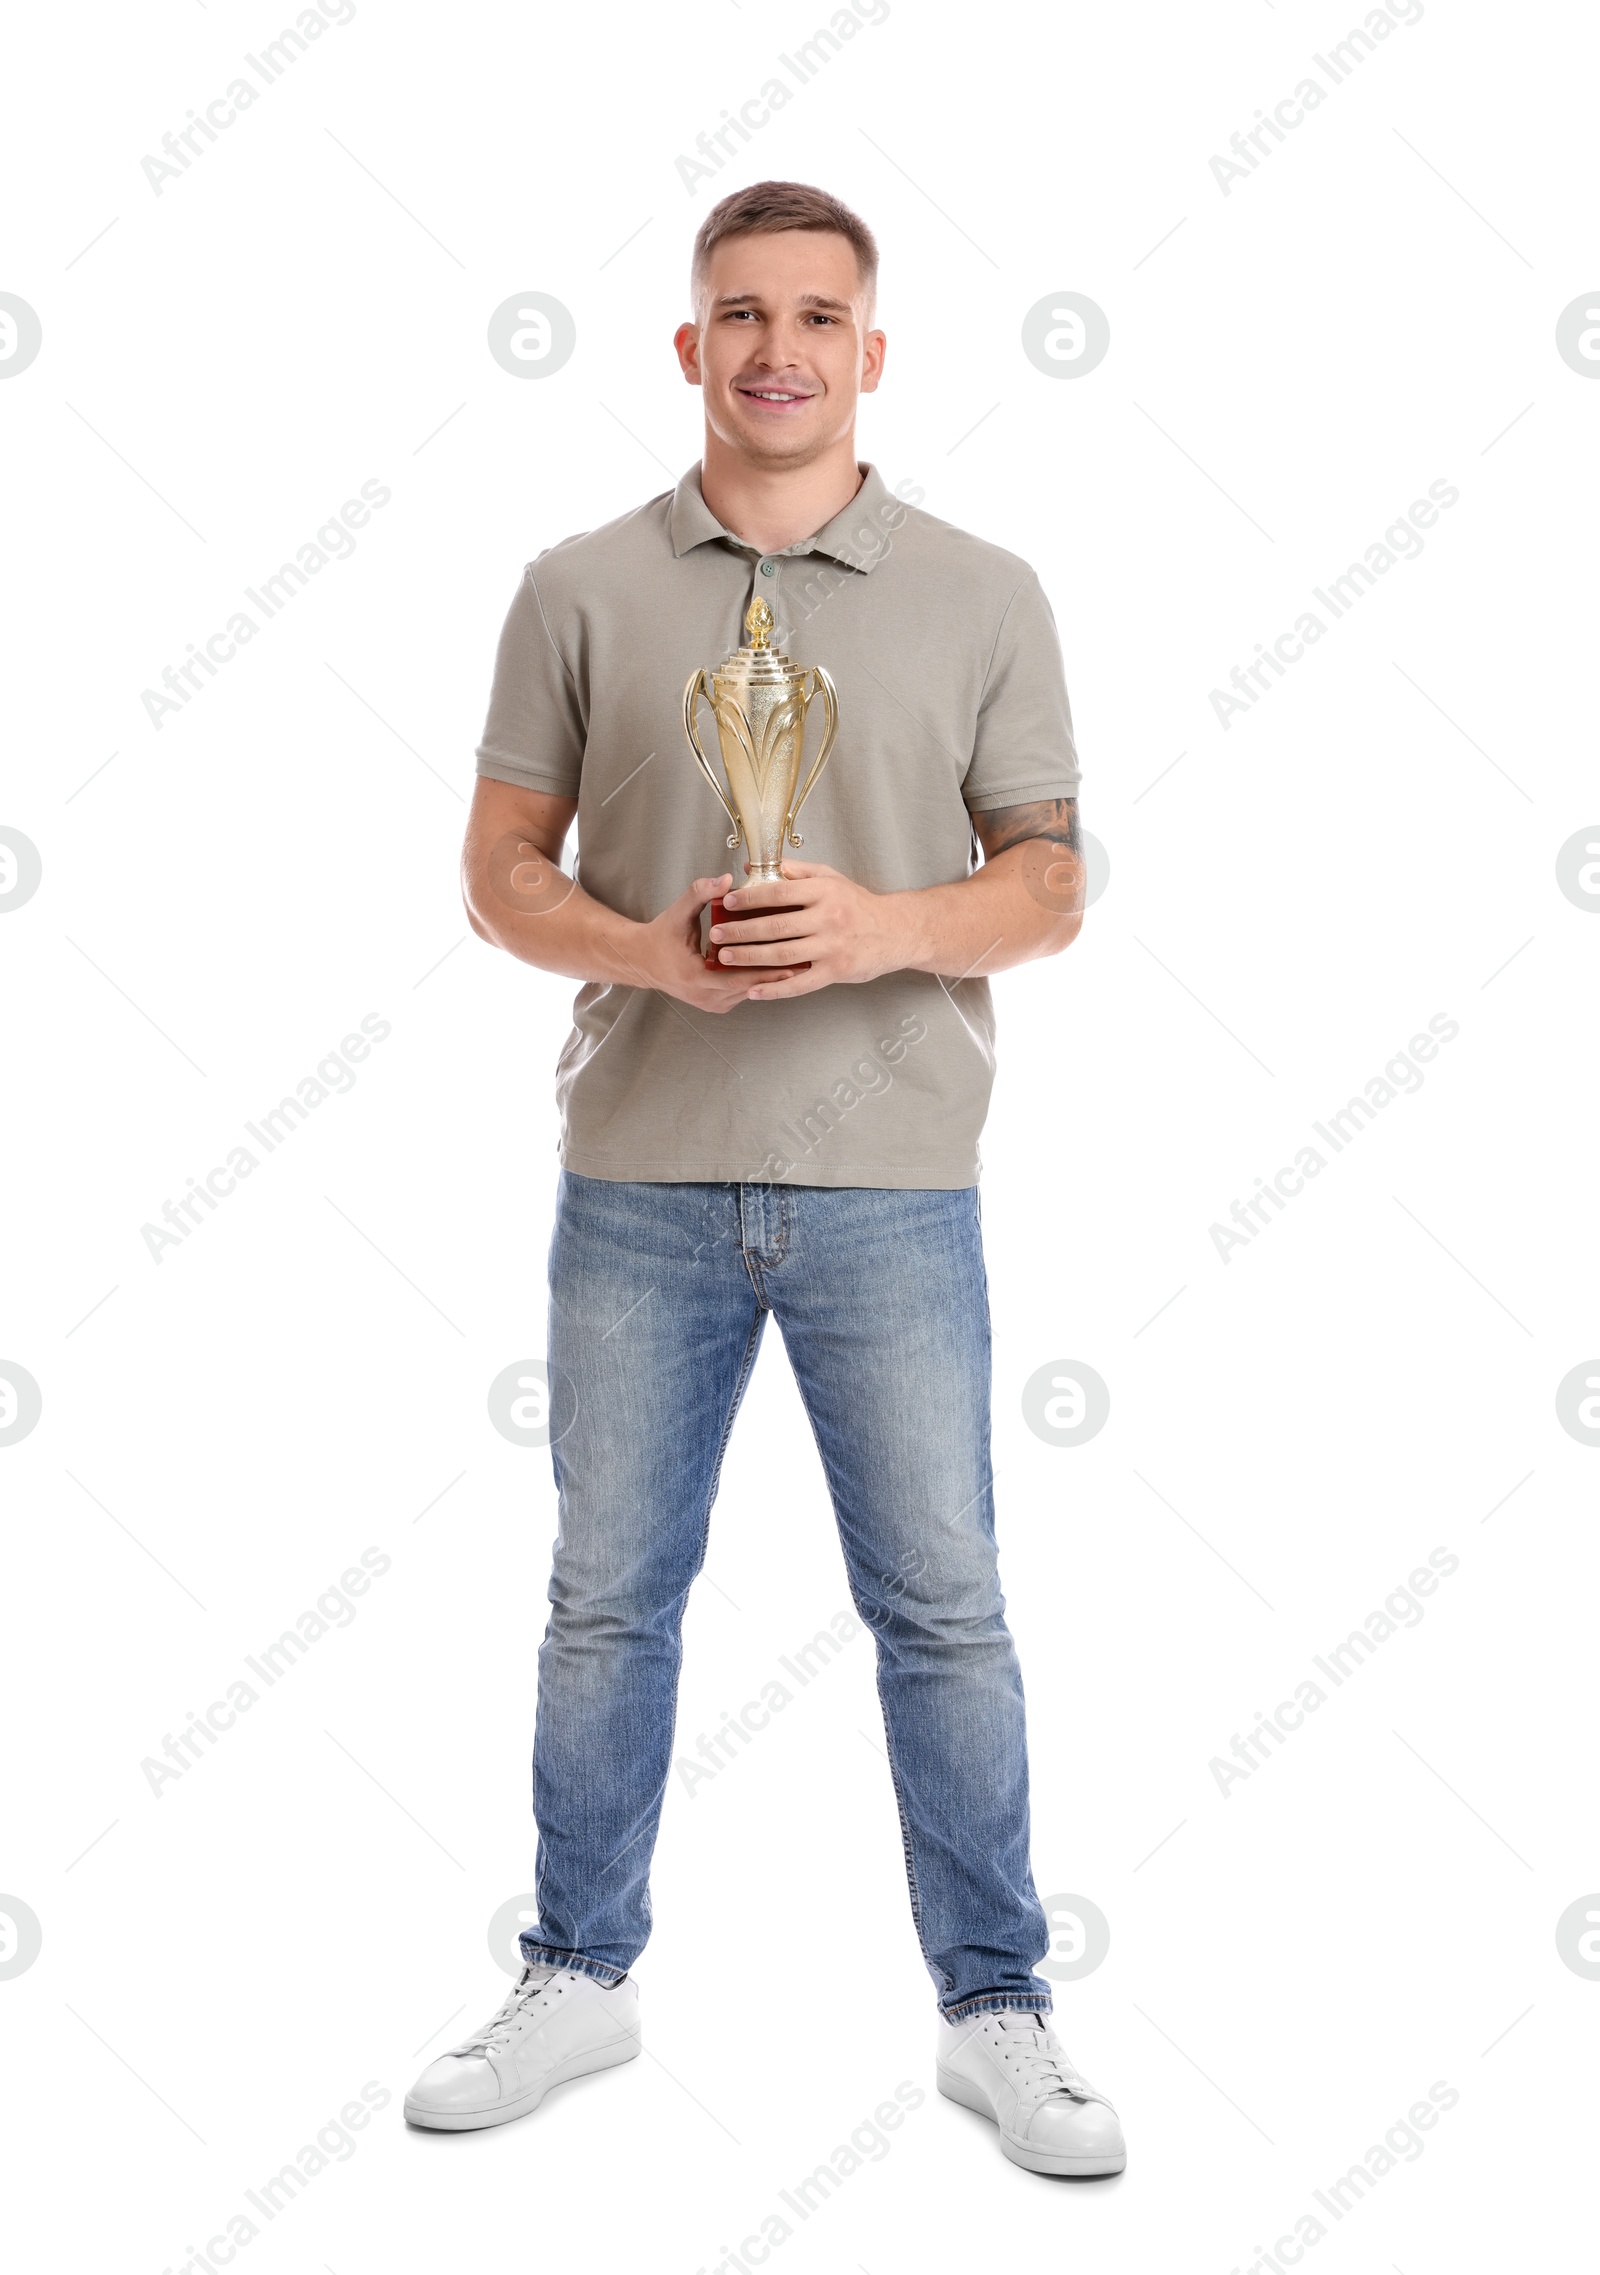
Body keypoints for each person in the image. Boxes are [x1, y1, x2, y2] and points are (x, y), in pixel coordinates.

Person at [403, 179, 1124, 2179]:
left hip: (895, 1184)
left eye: (817, 315)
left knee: (945, 1611)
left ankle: (995, 2007)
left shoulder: (984, 591)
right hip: (634, 1175)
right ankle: (578, 1971)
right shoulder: (575, 584)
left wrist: (888, 927)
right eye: (739, 313)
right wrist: (642, 953)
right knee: (602, 1608)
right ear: (688, 347)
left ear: (870, 355)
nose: (777, 347)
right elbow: (493, 871)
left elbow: (1050, 880)